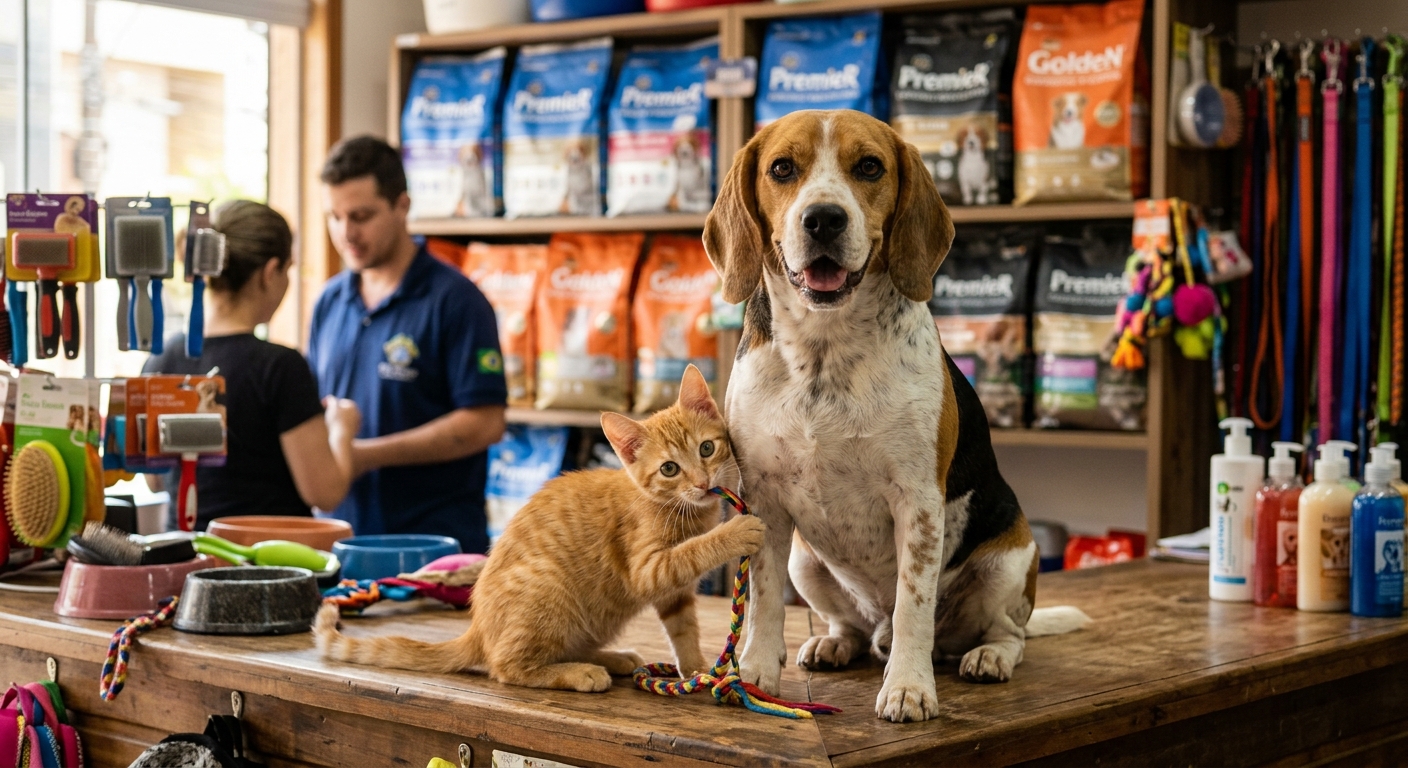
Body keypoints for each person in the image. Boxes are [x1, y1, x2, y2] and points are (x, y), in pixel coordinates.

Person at [309, 136, 507, 554]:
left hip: (432, 548)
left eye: (361, 216)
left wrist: (365, 455)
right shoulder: (329, 300)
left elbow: (485, 422)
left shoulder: (457, 301)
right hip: (340, 544)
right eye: (335, 217)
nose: (346, 233)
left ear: (402, 206)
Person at [145, 201, 361, 529]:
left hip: (186, 562)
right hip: (266, 568)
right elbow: (325, 492)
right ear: (270, 272)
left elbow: (156, 481)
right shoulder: (279, 367)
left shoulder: (164, 358)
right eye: (288, 270)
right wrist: (342, 428)